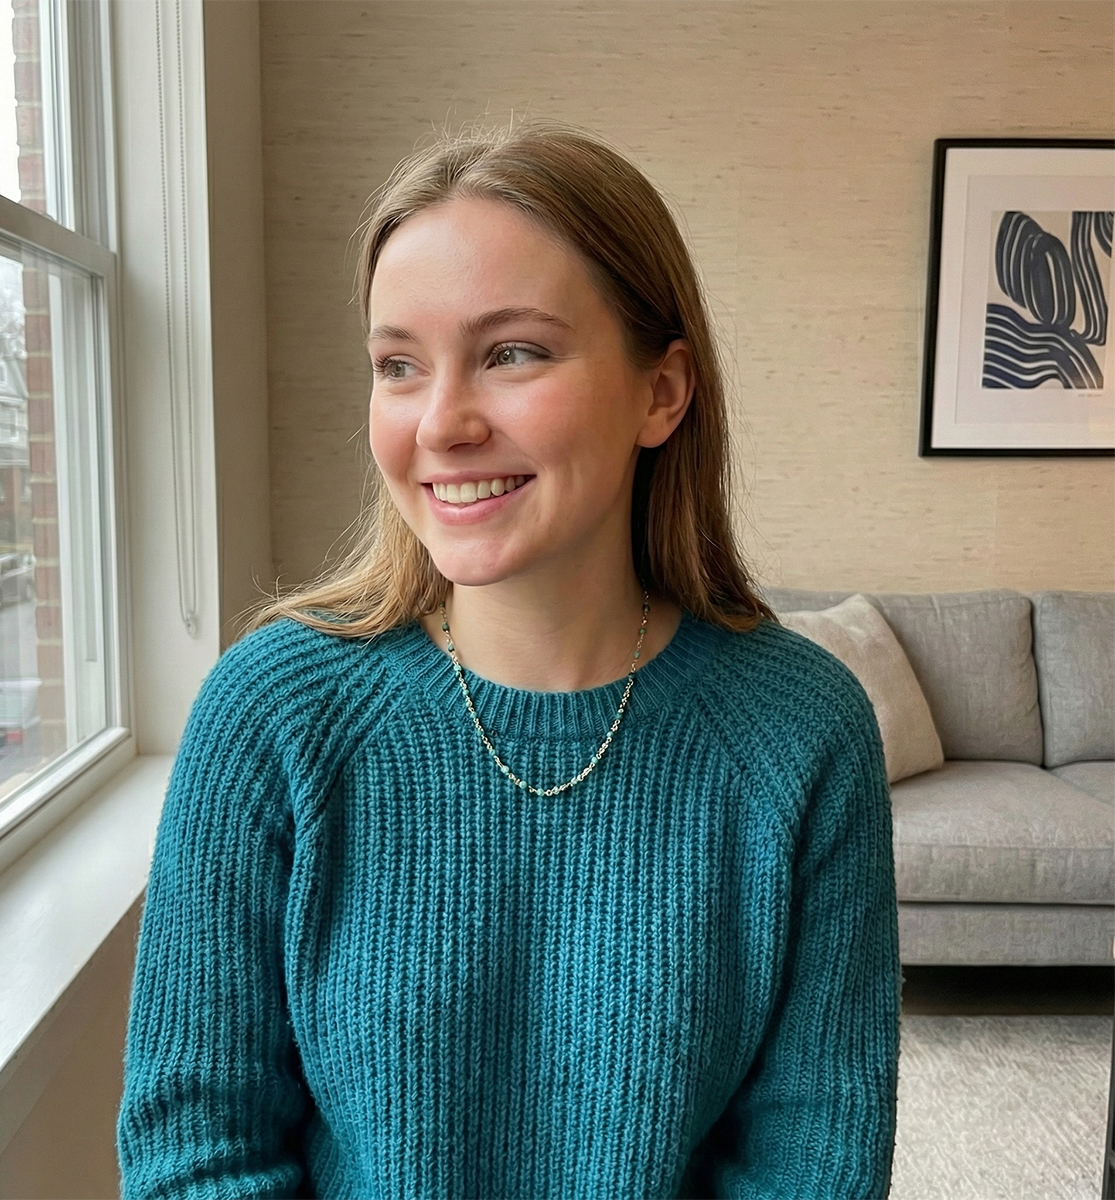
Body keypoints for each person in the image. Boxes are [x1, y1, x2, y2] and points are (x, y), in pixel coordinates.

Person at [117, 121, 900, 1199]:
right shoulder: (271, 714)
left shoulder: (803, 731)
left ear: (662, 392)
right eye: (398, 365)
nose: (442, 423)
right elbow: (193, 1156)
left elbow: (814, 1166)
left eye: (512, 353)